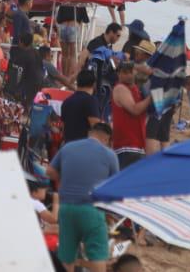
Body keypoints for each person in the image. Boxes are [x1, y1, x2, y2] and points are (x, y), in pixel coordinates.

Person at [47, 123, 120, 272]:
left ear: (90, 133)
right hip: (92, 210)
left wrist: (66, 178)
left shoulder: (68, 147)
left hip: (66, 208)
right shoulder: (109, 154)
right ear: (106, 139)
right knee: (98, 256)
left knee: (67, 257)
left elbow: (49, 172)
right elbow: (115, 186)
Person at [111, 61, 151, 167]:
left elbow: (151, 70)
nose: (128, 75)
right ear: (118, 74)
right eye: (124, 72)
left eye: (130, 72)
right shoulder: (120, 88)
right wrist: (152, 97)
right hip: (126, 145)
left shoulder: (136, 89)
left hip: (136, 145)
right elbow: (135, 110)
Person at [61, 69, 102, 143]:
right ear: (94, 84)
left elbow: (63, 128)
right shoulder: (90, 100)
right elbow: (95, 126)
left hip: (69, 146)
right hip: (84, 147)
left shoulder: (66, 101)